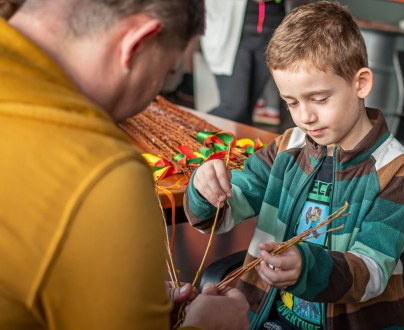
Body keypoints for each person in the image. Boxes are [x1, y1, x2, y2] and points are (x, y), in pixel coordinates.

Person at [0, 0, 250, 329]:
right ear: (135, 44)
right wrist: (206, 326)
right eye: (165, 73)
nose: (151, 98)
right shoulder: (102, 174)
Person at [184, 1, 404, 329]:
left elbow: (372, 272)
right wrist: (204, 190)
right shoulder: (286, 147)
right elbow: (226, 211)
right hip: (265, 318)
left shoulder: (395, 169)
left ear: (361, 83)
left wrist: (307, 267)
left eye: (319, 99)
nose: (305, 116)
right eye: (291, 103)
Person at [202, 0, 286, 125]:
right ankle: (186, 129)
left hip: (272, 31)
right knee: (233, 108)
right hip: (234, 32)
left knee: (246, 112)